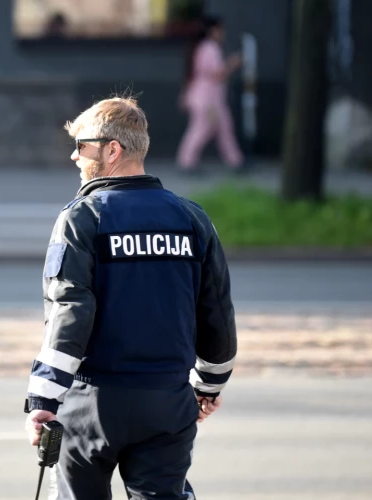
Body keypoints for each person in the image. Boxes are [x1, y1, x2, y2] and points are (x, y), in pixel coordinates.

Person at [23, 97, 237, 499]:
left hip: (93, 403)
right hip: (168, 402)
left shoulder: (83, 218)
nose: (74, 156)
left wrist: (44, 398)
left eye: (81, 147)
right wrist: (207, 386)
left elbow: (70, 311)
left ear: (112, 149)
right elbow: (217, 311)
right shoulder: (192, 219)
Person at [176, 15, 244, 173]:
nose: (223, 33)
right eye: (221, 29)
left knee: (224, 129)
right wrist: (233, 63)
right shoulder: (210, 48)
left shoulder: (203, 47)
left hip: (210, 99)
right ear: (213, 30)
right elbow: (217, 74)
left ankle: (236, 161)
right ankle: (186, 162)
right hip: (207, 100)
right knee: (201, 130)